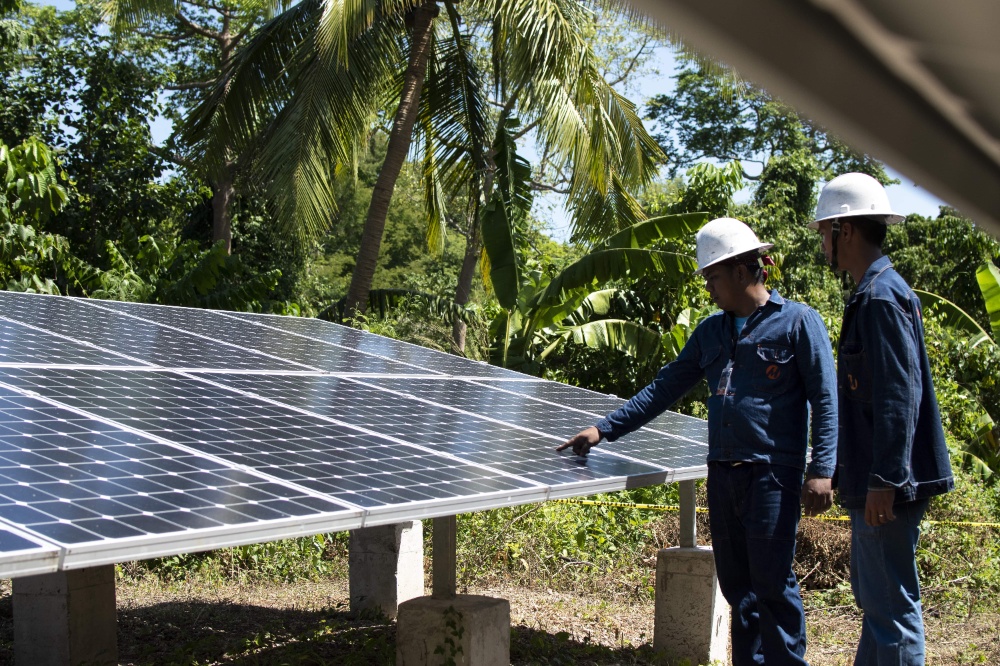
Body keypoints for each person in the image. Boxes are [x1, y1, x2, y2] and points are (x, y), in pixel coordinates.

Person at [557, 217, 838, 666]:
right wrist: (603, 429)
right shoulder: (711, 332)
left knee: (771, 585)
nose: (709, 287)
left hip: (772, 475)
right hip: (723, 475)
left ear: (742, 272)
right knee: (738, 590)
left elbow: (826, 398)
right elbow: (663, 388)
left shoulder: (798, 323)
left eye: (713, 276)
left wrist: (822, 470)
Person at [811, 173, 954, 665]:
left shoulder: (879, 298)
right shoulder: (875, 292)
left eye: (824, 231)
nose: (822, 243)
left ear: (844, 232)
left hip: (886, 483)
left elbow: (899, 394)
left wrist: (885, 480)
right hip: (880, 480)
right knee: (878, 605)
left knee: (890, 609)